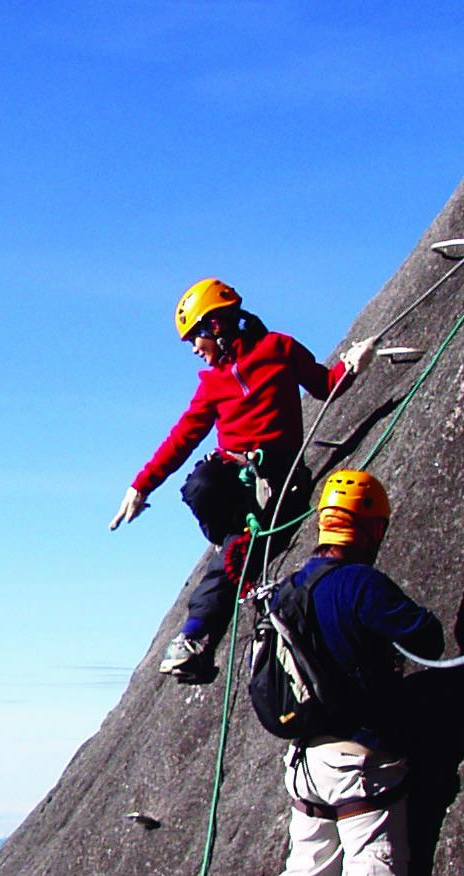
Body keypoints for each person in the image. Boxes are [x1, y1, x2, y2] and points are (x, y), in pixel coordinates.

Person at [226, 466, 442, 876]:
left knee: (306, 872)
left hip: (305, 761)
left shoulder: (288, 589)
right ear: (370, 528)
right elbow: (427, 638)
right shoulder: (360, 586)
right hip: (359, 762)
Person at [110, 279, 383, 682]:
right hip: (236, 481)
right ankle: (228, 554)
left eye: (194, 338)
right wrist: (141, 486)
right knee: (201, 486)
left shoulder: (278, 349)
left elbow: (324, 385)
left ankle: (195, 634)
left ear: (215, 325)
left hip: (280, 477)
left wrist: (354, 364)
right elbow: (182, 436)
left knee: (235, 547)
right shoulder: (212, 384)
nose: (194, 349)